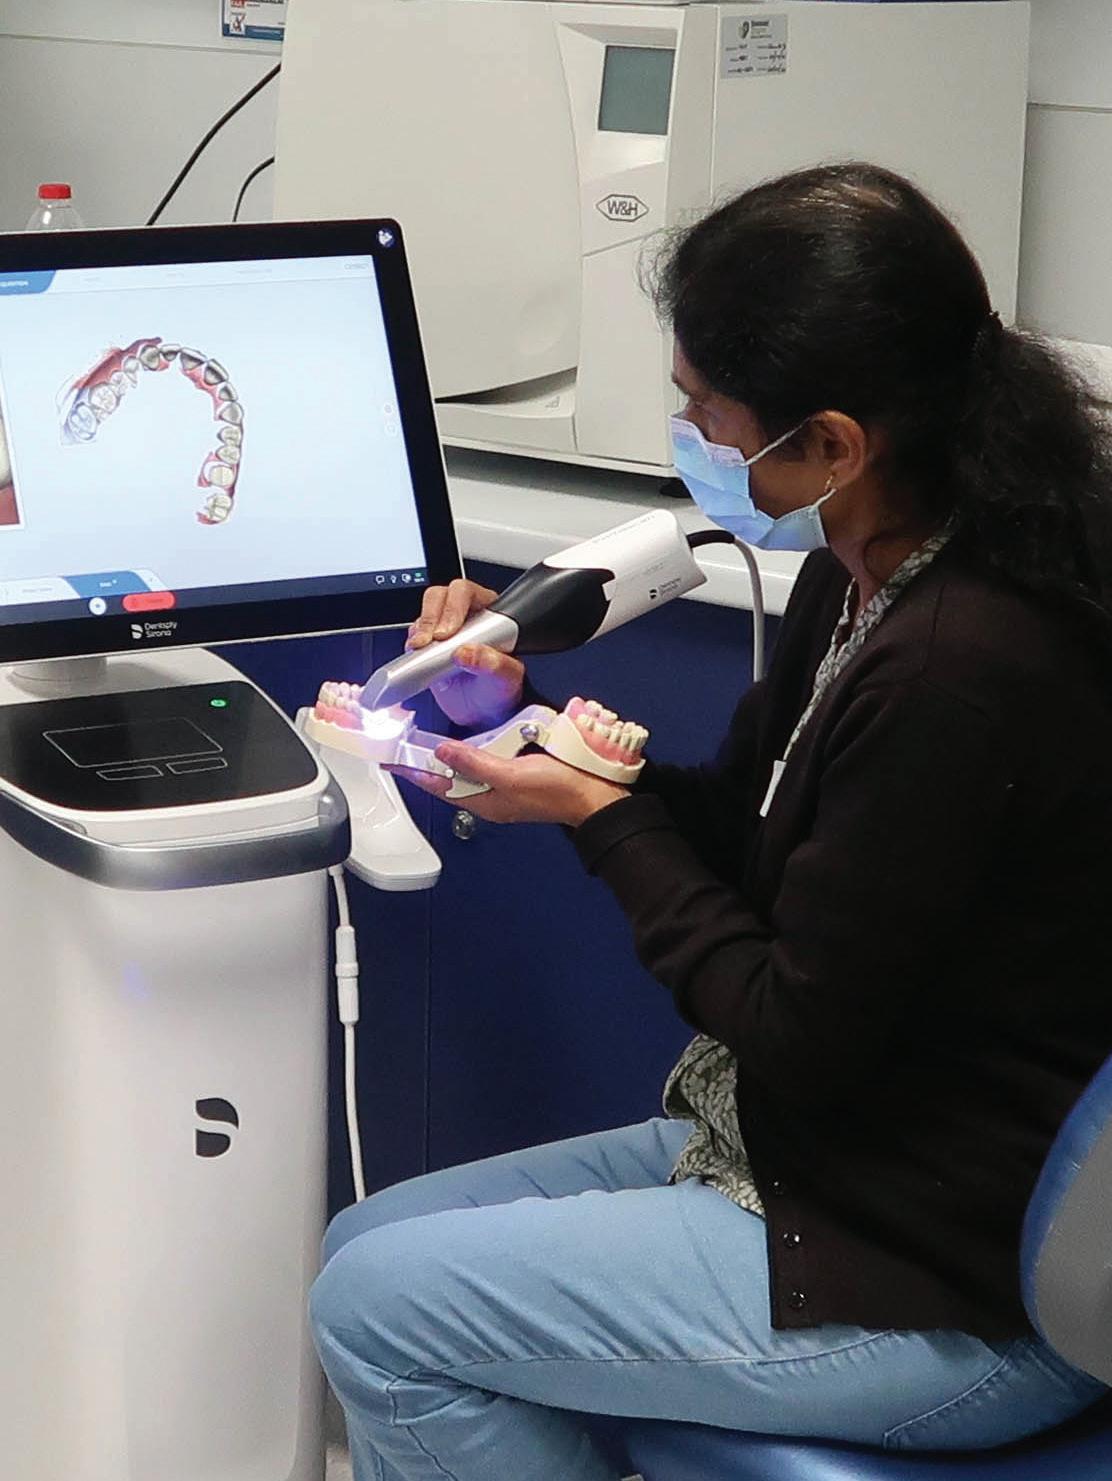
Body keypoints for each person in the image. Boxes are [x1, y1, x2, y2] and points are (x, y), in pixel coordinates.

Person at [310, 163, 1112, 1481]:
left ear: (836, 444)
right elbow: (749, 830)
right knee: (366, 1249)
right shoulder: (868, 575)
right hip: (830, 1166)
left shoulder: (959, 668)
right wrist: (529, 725)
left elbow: (792, 1028)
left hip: (937, 1279)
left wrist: (596, 816)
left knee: (378, 1311)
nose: (688, 432)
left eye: (707, 412)